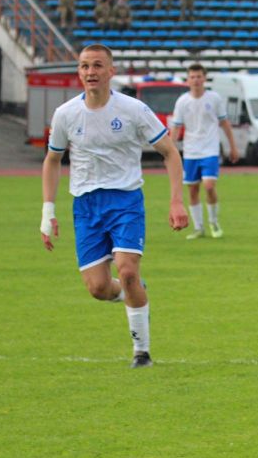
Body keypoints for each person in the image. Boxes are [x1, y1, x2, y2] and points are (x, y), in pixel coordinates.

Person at [40, 44, 189, 368]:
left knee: (127, 269)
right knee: (97, 288)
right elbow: (52, 160)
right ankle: (134, 292)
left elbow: (170, 152)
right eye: (84, 66)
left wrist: (176, 201)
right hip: (86, 205)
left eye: (97, 65)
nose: (90, 72)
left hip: (125, 200)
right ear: (79, 72)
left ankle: (142, 353)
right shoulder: (66, 114)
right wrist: (47, 211)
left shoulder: (133, 110)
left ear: (111, 71)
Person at [170, 63, 239, 240]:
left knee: (209, 186)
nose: (196, 80)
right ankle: (199, 228)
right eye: (192, 77)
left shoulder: (214, 98)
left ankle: (214, 222)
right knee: (193, 190)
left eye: (199, 76)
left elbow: (224, 123)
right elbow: (176, 128)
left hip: (210, 149)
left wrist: (233, 146)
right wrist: (169, 150)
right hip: (191, 151)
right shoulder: (182, 101)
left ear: (204, 78)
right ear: (188, 80)